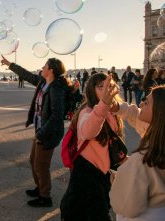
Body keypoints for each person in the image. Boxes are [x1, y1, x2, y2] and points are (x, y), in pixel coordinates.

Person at [1, 55, 70, 207]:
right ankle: (40, 188)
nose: (42, 67)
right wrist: (10, 64)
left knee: (41, 165)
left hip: (48, 133)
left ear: (51, 70)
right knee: (33, 161)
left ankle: (45, 197)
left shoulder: (56, 89)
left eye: (45, 66)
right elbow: (26, 75)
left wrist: (41, 134)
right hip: (40, 129)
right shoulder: (43, 82)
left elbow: (57, 116)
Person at [60, 73, 124, 221]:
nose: (106, 89)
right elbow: (88, 131)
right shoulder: (86, 111)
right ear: (91, 89)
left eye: (109, 85)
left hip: (103, 173)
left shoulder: (112, 112)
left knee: (99, 208)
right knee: (84, 212)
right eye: (101, 86)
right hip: (85, 171)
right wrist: (103, 105)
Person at [110, 86, 165, 221]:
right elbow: (134, 115)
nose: (141, 103)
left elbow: (125, 207)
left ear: (160, 111)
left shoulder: (145, 156)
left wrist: (121, 179)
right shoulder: (162, 134)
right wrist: (117, 107)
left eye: (147, 102)